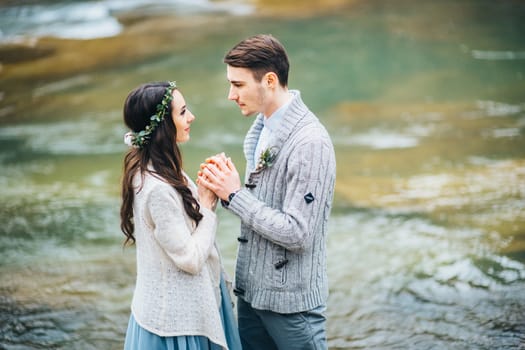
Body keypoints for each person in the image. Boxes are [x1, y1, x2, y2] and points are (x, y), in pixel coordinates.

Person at [197, 34, 336, 350]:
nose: (231, 95)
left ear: (270, 81)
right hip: (251, 297)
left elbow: (299, 233)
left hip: (292, 307)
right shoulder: (262, 127)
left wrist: (234, 195)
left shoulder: (310, 143)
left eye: (239, 84)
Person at [120, 81, 241, 350]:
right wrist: (207, 207)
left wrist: (204, 189)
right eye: (183, 112)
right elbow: (189, 258)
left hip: (183, 310)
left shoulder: (157, 169)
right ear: (164, 125)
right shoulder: (157, 189)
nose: (191, 117)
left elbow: (180, 226)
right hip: (176, 325)